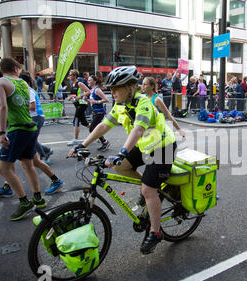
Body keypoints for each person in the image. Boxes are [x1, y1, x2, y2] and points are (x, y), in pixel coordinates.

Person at [68, 65, 176, 255]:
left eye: (117, 88)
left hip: (163, 148)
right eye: (111, 88)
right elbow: (103, 126)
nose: (113, 92)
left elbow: (138, 129)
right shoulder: (120, 105)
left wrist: (122, 152)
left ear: (131, 87)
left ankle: (156, 231)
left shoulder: (143, 103)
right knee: (122, 167)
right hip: (145, 147)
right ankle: (151, 189)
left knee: (148, 189)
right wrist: (82, 145)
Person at [0, 57, 47, 221]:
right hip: (30, 128)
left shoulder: (0, 82)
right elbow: (19, 108)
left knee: (3, 168)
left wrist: (1, 132)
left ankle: (24, 202)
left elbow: (2, 106)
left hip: (18, 130)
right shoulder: (23, 84)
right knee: (28, 164)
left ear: (2, 70)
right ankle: (38, 198)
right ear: (16, 68)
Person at [19, 73, 54, 165]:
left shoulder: (29, 91)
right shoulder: (27, 90)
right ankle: (47, 150)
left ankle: (44, 155)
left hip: (36, 117)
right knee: (30, 139)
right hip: (33, 117)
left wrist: (21, 109)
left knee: (31, 139)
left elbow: (33, 106)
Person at [84, 74, 111, 151]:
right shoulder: (92, 90)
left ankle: (105, 142)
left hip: (100, 112)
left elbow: (106, 100)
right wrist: (87, 100)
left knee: (92, 129)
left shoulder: (97, 90)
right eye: (88, 80)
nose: (88, 82)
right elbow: (92, 102)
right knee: (94, 128)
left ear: (94, 81)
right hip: (95, 112)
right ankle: (104, 142)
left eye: (90, 80)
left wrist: (96, 101)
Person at [66, 69, 91, 146]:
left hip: (82, 104)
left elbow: (88, 91)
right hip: (77, 105)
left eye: (70, 75)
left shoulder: (79, 83)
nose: (69, 76)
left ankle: (76, 139)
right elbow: (73, 94)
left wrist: (80, 96)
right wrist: (69, 97)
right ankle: (98, 135)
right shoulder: (72, 84)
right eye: (69, 75)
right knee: (84, 122)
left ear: (75, 76)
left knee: (76, 120)